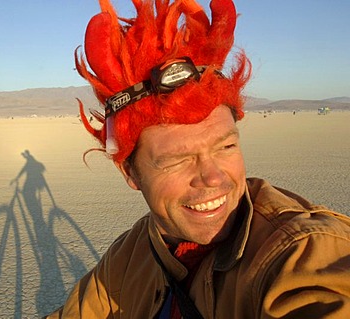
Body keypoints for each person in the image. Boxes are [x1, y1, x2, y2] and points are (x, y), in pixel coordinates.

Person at [45, 0, 350, 317]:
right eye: (177, 159)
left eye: (225, 147)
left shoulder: (299, 251)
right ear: (130, 173)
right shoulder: (130, 257)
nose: (214, 177)